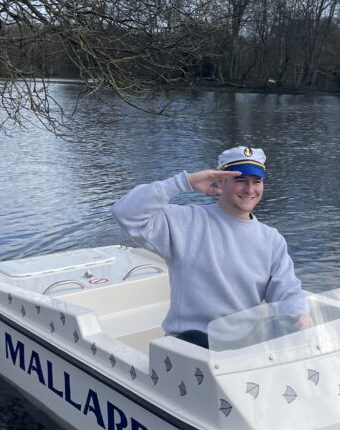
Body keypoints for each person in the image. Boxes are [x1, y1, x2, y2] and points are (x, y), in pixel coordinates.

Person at [112, 145, 308, 347]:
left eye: (256, 181)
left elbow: (287, 290)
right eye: (240, 180)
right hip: (190, 345)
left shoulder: (272, 239)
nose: (250, 189)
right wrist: (183, 182)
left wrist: (299, 313)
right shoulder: (185, 222)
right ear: (221, 181)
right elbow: (125, 212)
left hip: (247, 346)